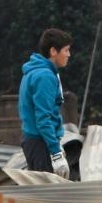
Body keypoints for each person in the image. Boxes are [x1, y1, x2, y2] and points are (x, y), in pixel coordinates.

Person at [18, 28, 72, 178]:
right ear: (54, 51)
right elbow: (43, 118)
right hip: (40, 142)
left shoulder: (36, 71)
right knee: (48, 198)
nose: (69, 54)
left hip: (36, 141)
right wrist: (56, 153)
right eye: (66, 50)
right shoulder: (44, 76)